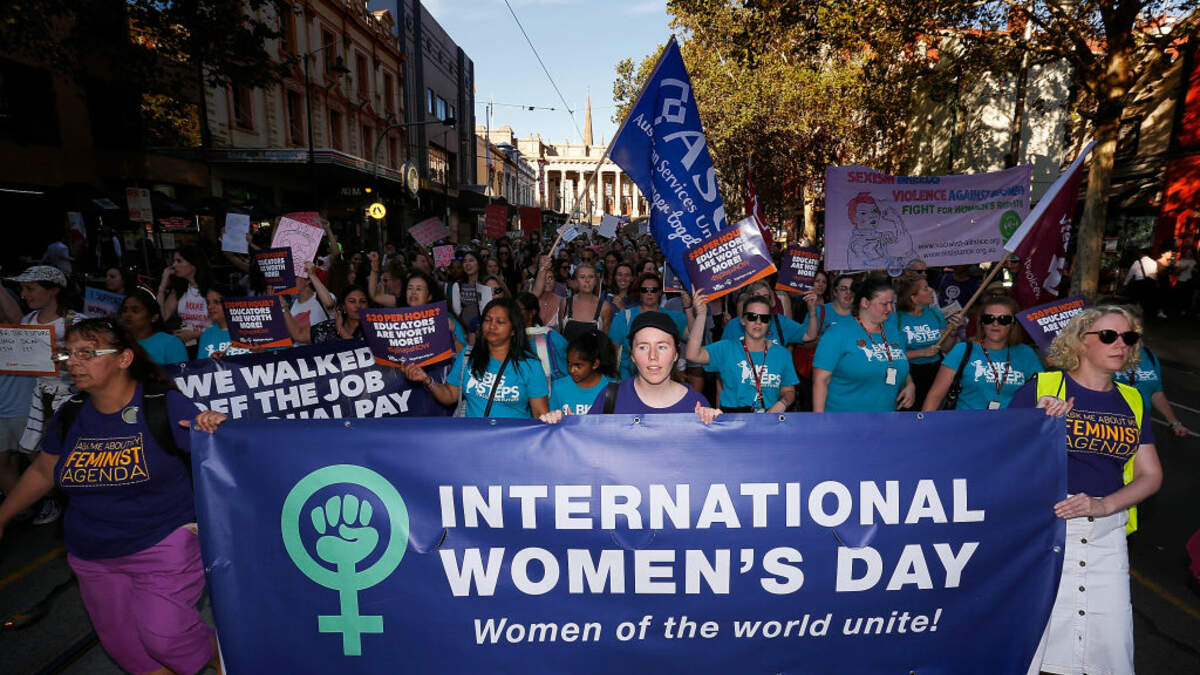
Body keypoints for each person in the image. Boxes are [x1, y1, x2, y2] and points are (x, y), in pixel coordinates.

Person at [0, 318, 225, 675]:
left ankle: (220, 657)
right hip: (92, 555)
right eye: (68, 354)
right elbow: (43, 471)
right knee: (130, 652)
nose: (73, 362)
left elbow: (225, 460)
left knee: (166, 638)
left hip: (163, 543)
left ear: (123, 358)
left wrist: (214, 428)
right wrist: (2, 516)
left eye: (86, 353)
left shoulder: (165, 406)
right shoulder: (71, 414)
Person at [1011, 306, 1162, 675]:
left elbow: (1150, 474)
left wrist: (1105, 504)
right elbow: (999, 454)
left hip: (1107, 538)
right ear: (1080, 342)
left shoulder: (1132, 399)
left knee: (1108, 648)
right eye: (1109, 336)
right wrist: (1036, 423)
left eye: (1129, 337)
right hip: (1047, 533)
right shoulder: (1043, 388)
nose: (1121, 344)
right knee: (1033, 644)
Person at [0, 265, 83, 524]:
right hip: (40, 399)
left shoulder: (75, 322)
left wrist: (63, 358)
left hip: (72, 399)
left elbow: (93, 359)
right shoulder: (28, 321)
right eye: (22, 289)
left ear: (53, 291)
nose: (24, 295)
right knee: (41, 455)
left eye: (30, 288)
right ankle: (55, 500)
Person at [555, 311, 719, 422]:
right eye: (643, 347)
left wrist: (715, 425)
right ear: (632, 355)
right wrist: (565, 426)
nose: (653, 356)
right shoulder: (611, 397)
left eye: (662, 347)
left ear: (676, 354)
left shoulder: (695, 405)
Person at [405, 298, 549, 418]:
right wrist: (427, 380)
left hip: (513, 441)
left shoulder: (530, 365)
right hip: (473, 439)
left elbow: (540, 414)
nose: (492, 326)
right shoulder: (468, 356)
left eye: (500, 322)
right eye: (487, 320)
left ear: (513, 330)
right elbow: (449, 395)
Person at [922, 295, 1042, 410]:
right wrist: (923, 422)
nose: (995, 324)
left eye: (1004, 320)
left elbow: (1043, 393)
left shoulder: (1026, 353)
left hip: (1012, 423)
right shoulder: (962, 350)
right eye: (988, 319)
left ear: (1013, 324)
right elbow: (935, 395)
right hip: (967, 422)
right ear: (981, 322)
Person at [812, 278, 914, 412]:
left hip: (887, 418)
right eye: (884, 304)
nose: (890, 309)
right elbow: (821, 380)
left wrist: (909, 384)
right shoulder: (837, 333)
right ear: (865, 303)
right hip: (845, 418)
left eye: (891, 303)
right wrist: (819, 420)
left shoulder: (893, 331)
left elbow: (898, 363)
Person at [687, 290, 797, 413]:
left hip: (769, 417)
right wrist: (701, 315)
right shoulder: (726, 348)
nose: (758, 322)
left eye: (764, 318)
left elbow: (789, 391)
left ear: (769, 322)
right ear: (743, 320)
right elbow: (692, 355)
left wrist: (782, 403)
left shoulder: (782, 354)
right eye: (752, 317)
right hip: (733, 417)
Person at [1105, 300, 1192, 437]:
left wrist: (1174, 423)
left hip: (1140, 428)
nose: (1134, 332)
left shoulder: (1149, 356)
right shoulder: (1105, 354)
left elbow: (1156, 392)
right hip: (1107, 428)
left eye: (1138, 328)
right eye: (1128, 328)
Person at [893, 272, 962, 408]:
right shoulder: (895, 320)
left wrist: (952, 333)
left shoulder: (936, 314)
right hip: (908, 374)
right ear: (913, 298)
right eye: (925, 289)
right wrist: (922, 353)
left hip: (935, 371)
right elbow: (893, 355)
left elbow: (946, 348)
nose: (931, 290)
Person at [608, 273, 688, 379]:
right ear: (640, 293)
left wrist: (689, 308)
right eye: (645, 290)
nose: (649, 293)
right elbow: (612, 352)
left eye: (653, 290)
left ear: (660, 292)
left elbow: (691, 336)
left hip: (663, 380)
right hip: (628, 380)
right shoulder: (623, 317)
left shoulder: (674, 317)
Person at [548, 330, 618, 415]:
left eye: (578, 366)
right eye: (569, 363)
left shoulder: (613, 388)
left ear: (595, 364)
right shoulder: (558, 388)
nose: (572, 370)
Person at [119, 292, 188, 365]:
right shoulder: (118, 341)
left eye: (135, 311)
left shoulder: (171, 343)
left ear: (154, 317)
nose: (128, 315)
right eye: (124, 310)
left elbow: (181, 371)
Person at [562, 263, 613, 341]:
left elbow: (605, 340)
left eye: (591, 277)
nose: (587, 280)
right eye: (582, 277)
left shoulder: (605, 307)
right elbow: (561, 335)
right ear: (576, 281)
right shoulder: (565, 303)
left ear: (596, 281)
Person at [197, 286, 251, 359]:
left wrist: (260, 353)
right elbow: (201, 365)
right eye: (208, 303)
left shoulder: (253, 331)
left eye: (216, 302)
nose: (210, 307)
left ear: (231, 303)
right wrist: (212, 361)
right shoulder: (206, 334)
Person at [448, 251, 492, 339]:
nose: (467, 264)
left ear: (479, 264)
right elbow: (457, 312)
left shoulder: (487, 284)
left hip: (487, 328)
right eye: (465, 261)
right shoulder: (458, 285)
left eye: (471, 260)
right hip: (466, 331)